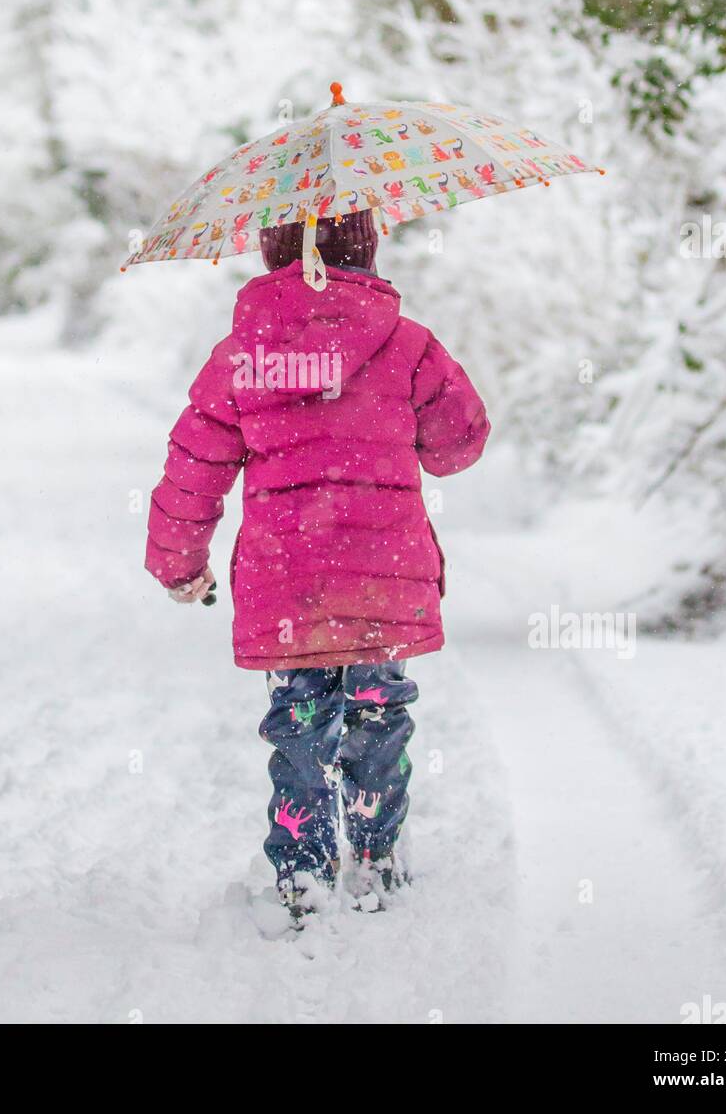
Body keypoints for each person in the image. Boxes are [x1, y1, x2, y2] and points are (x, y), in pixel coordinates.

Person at [144, 209, 489, 921]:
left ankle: (301, 872)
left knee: (299, 722)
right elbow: (460, 444)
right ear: (365, 247)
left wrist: (180, 563)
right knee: (378, 712)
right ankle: (374, 855)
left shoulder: (242, 355)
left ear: (272, 253)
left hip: (287, 582)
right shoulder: (408, 344)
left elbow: (195, 465)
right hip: (383, 577)